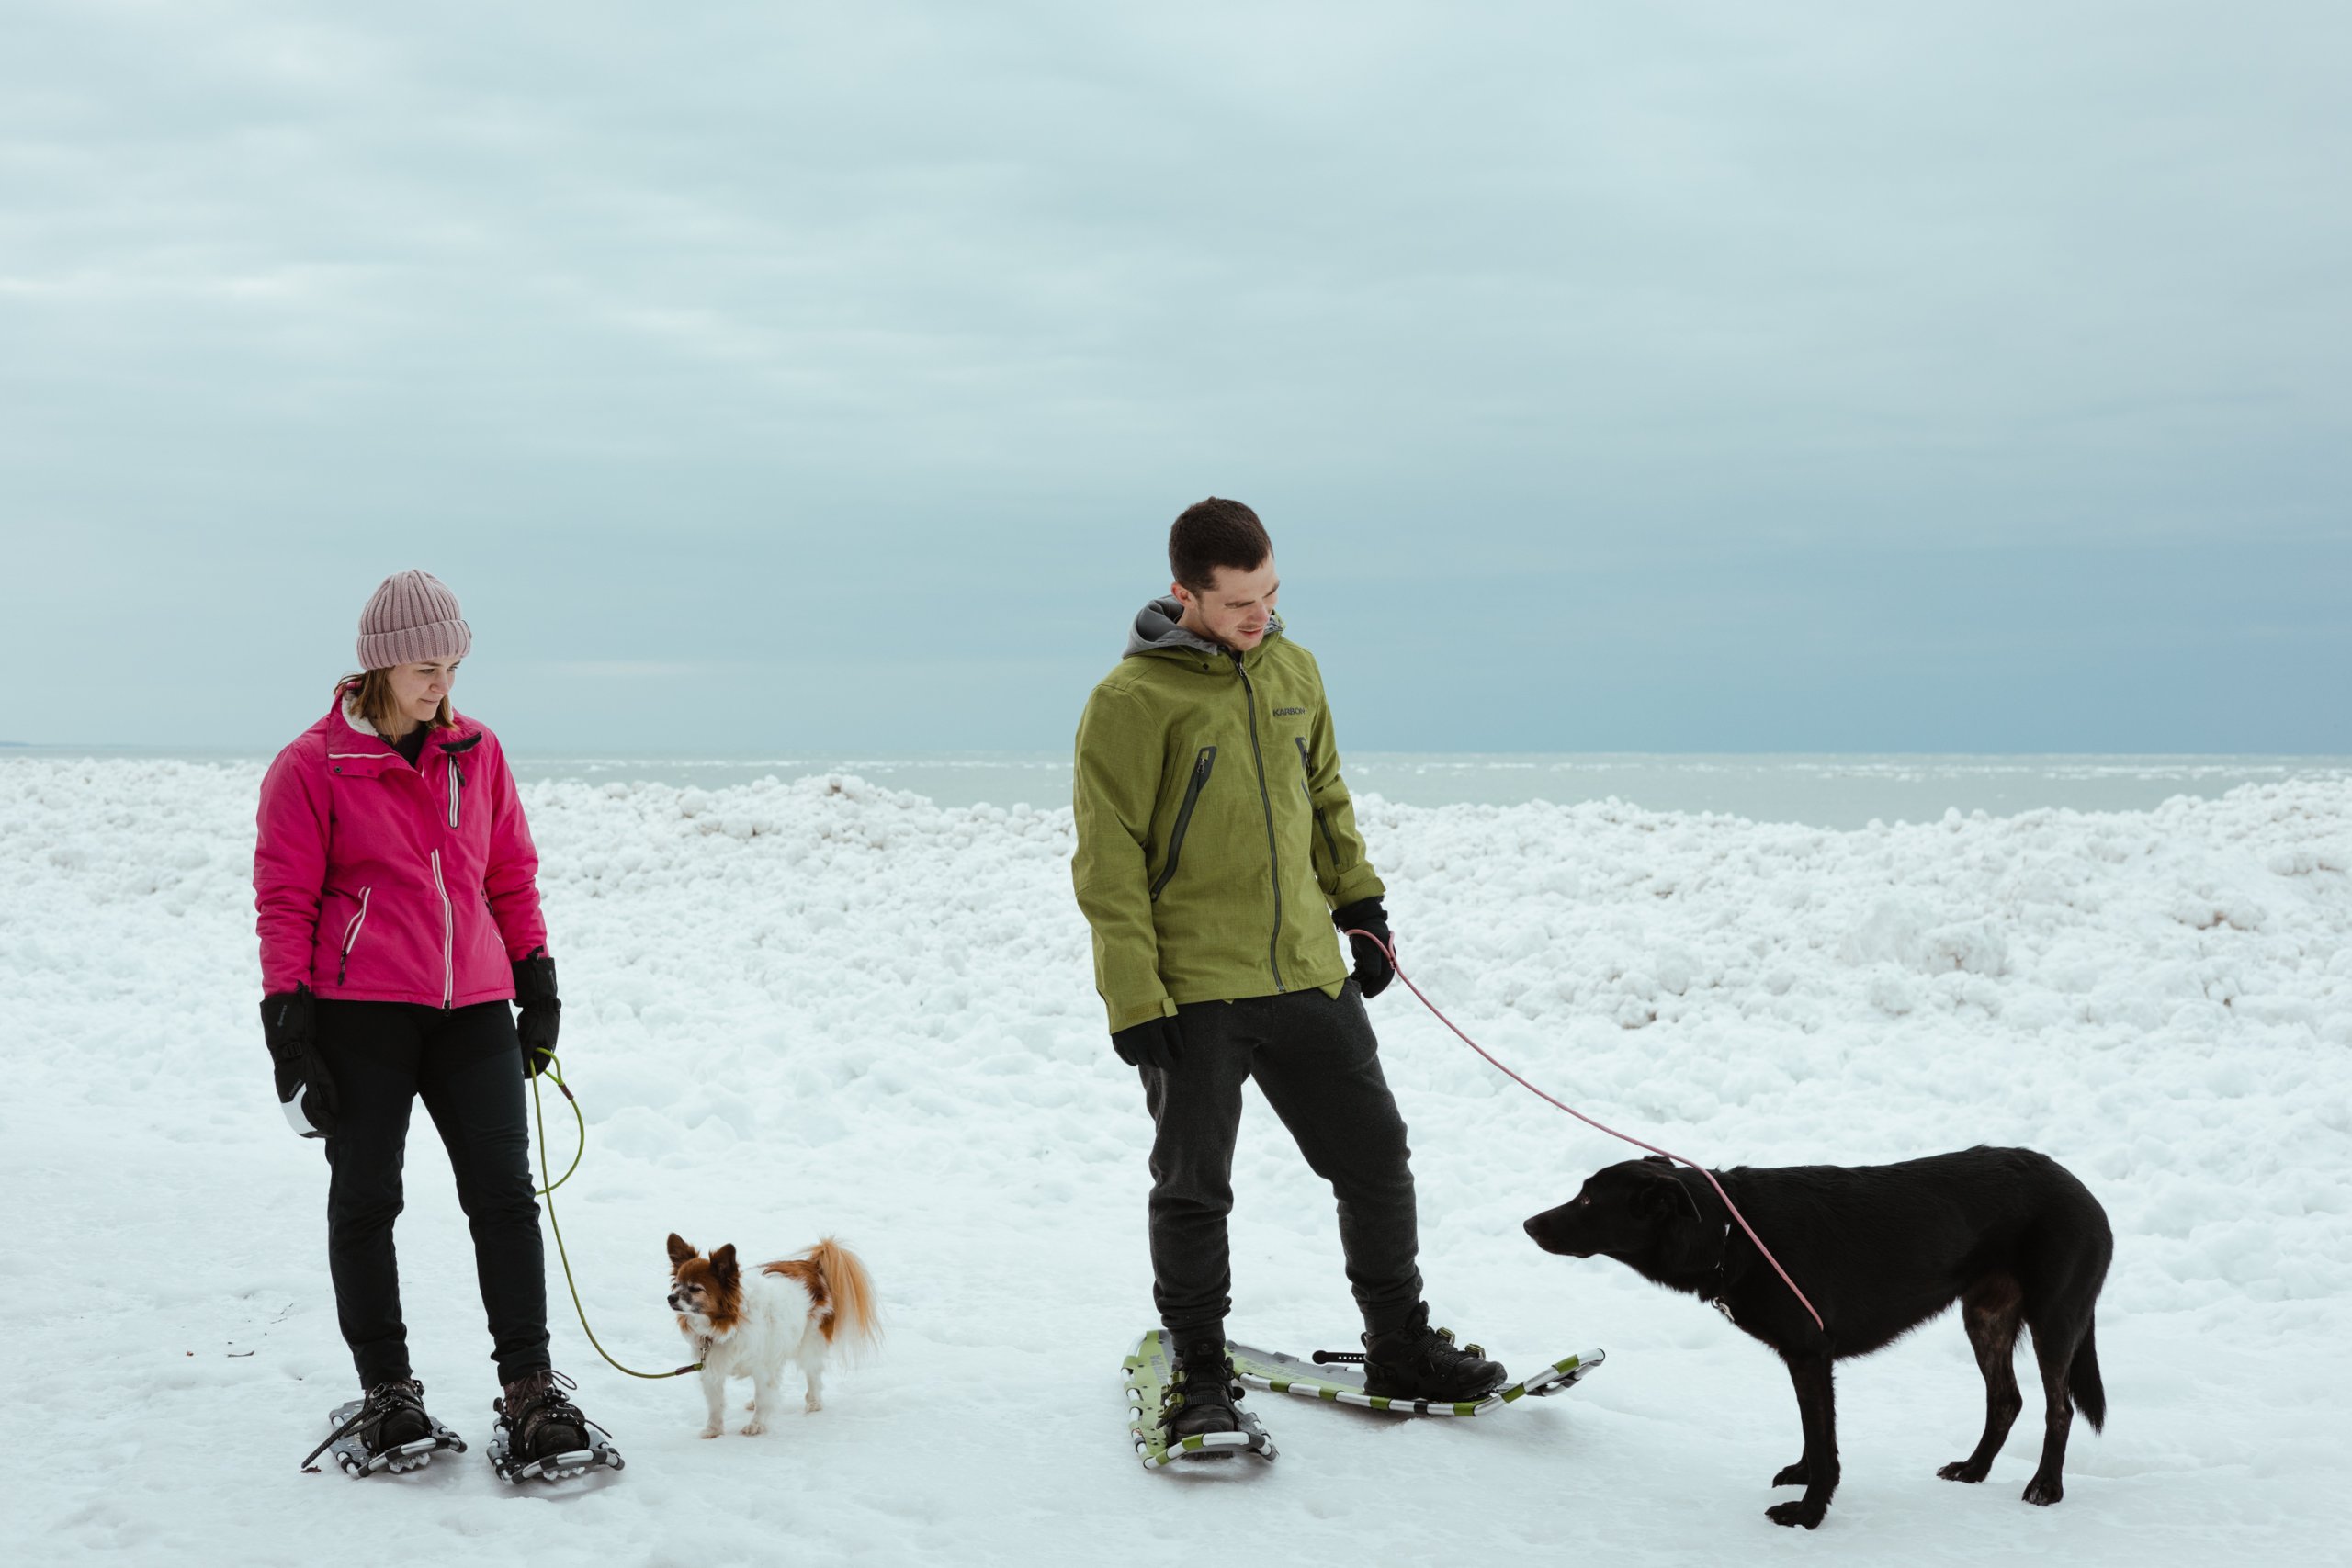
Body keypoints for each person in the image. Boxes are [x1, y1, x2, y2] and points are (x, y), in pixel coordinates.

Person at [1071, 498, 1509, 1444]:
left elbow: (1324, 795)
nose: (1257, 616)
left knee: (1376, 1158)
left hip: (1307, 973)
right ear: (1185, 594)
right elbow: (1108, 862)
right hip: (1195, 987)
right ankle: (1197, 1372)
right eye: (1237, 603)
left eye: (1270, 594)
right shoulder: (1129, 703)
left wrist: (1360, 903)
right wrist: (1132, 995)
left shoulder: (1294, 671)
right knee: (1194, 1188)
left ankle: (1399, 1341)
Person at [253, 569, 602, 1468]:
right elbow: (285, 899)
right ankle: (388, 1393)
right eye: (424, 667)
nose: (442, 682)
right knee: (368, 1197)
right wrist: (289, 1028)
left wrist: (538, 982)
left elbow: (509, 875)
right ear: (379, 667)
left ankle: (530, 1390)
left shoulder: (476, 752)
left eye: (452, 664)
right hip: (360, 1014)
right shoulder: (312, 765)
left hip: (474, 1007)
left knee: (504, 1196)